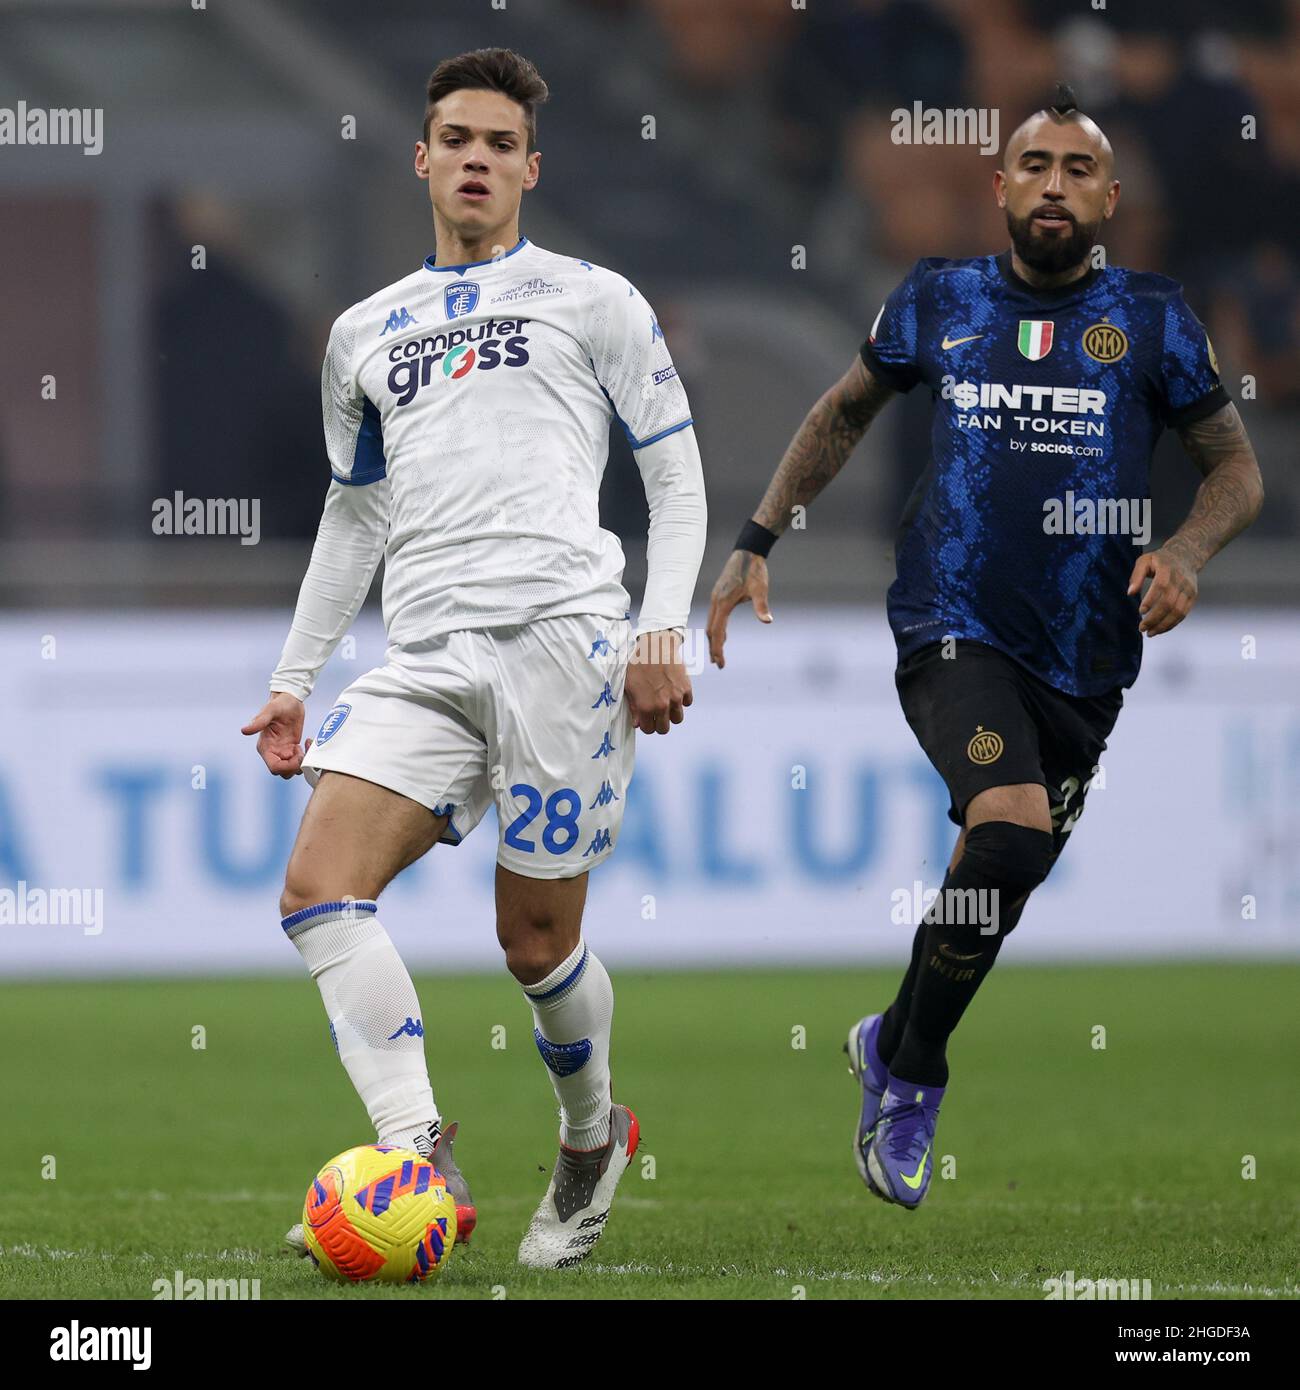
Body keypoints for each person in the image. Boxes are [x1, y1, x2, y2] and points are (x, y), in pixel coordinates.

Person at [706, 86, 1262, 1210]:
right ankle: (916, 1077)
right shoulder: (938, 297)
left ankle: (890, 1041)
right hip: (948, 623)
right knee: (1008, 826)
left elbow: (1235, 471)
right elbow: (842, 411)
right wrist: (755, 539)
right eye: (1034, 165)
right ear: (999, 186)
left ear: (1110, 197)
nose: (1054, 185)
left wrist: (1185, 552)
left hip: (1087, 656)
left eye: (1077, 169)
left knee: (998, 878)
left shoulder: (1154, 321)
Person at [242, 47, 706, 1266]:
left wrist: (658, 629)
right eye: (457, 139)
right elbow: (354, 516)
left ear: (530, 170)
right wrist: (294, 677)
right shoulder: (363, 332)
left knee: (534, 945)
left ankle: (592, 1136)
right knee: (316, 891)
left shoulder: (592, 299)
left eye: (501, 144)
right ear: (421, 157)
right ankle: (417, 1152)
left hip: (564, 644)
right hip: (426, 654)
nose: (477, 160)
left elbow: (673, 476)